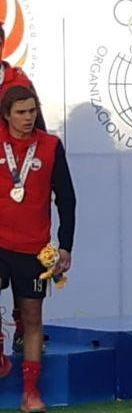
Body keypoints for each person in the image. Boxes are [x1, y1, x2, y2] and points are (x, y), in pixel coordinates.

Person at [0, 86, 76, 412]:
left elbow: (67, 198)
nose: (28, 117)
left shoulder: (50, 146)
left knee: (32, 317)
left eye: (32, 111)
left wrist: (65, 246)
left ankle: (30, 393)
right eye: (20, 112)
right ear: (6, 115)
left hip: (34, 248)